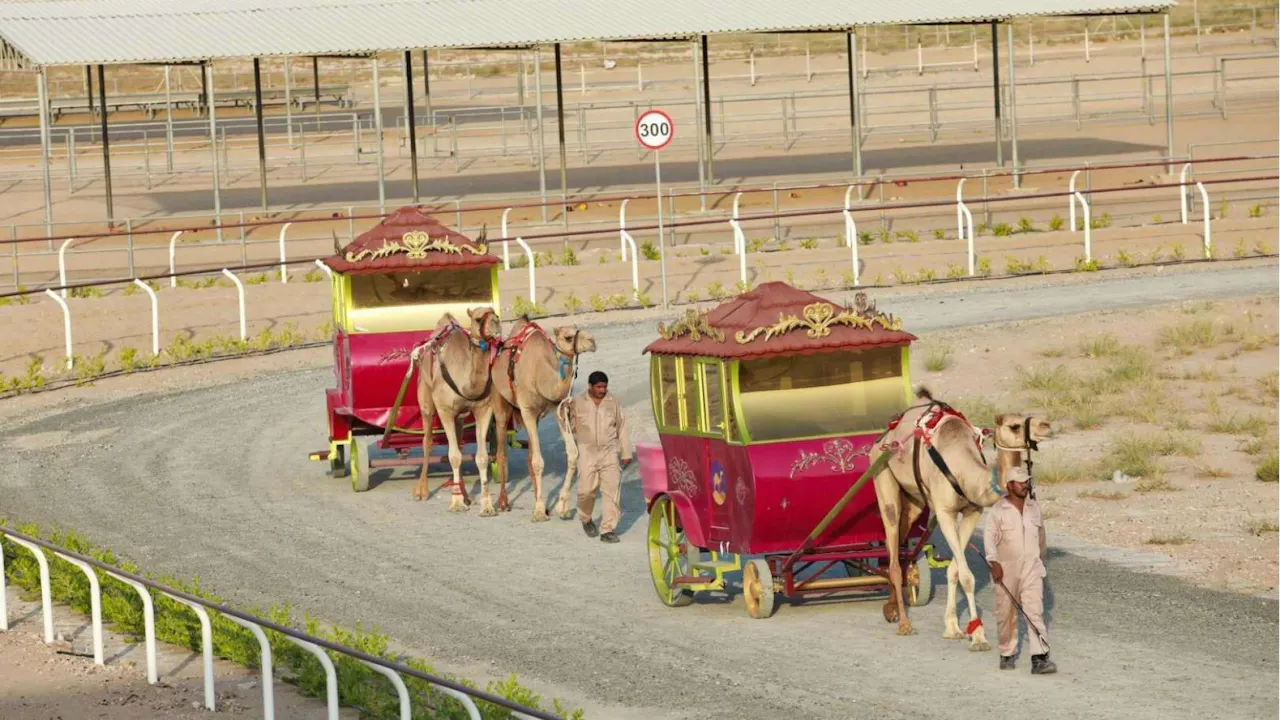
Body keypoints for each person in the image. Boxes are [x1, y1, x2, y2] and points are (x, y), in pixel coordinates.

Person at [983, 467, 1057, 675]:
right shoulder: (998, 510)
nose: (1024, 485)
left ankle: (1039, 658)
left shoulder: (1035, 508)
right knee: (1006, 613)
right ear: (1009, 486)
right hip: (1006, 569)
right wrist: (993, 562)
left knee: (1035, 610)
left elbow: (1041, 537)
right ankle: (1007, 652)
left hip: (1032, 567)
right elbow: (989, 538)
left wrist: (1040, 561)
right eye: (1020, 482)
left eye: (1026, 482)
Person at [570, 371, 632, 544]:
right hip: (586, 451)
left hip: (609, 452)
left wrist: (626, 452)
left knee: (611, 491)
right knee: (585, 491)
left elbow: (622, 427)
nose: (602, 390)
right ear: (590, 386)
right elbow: (568, 426)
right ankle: (585, 517)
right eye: (598, 387)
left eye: (604, 386)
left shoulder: (613, 403)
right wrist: (566, 411)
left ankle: (608, 529)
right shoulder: (577, 402)